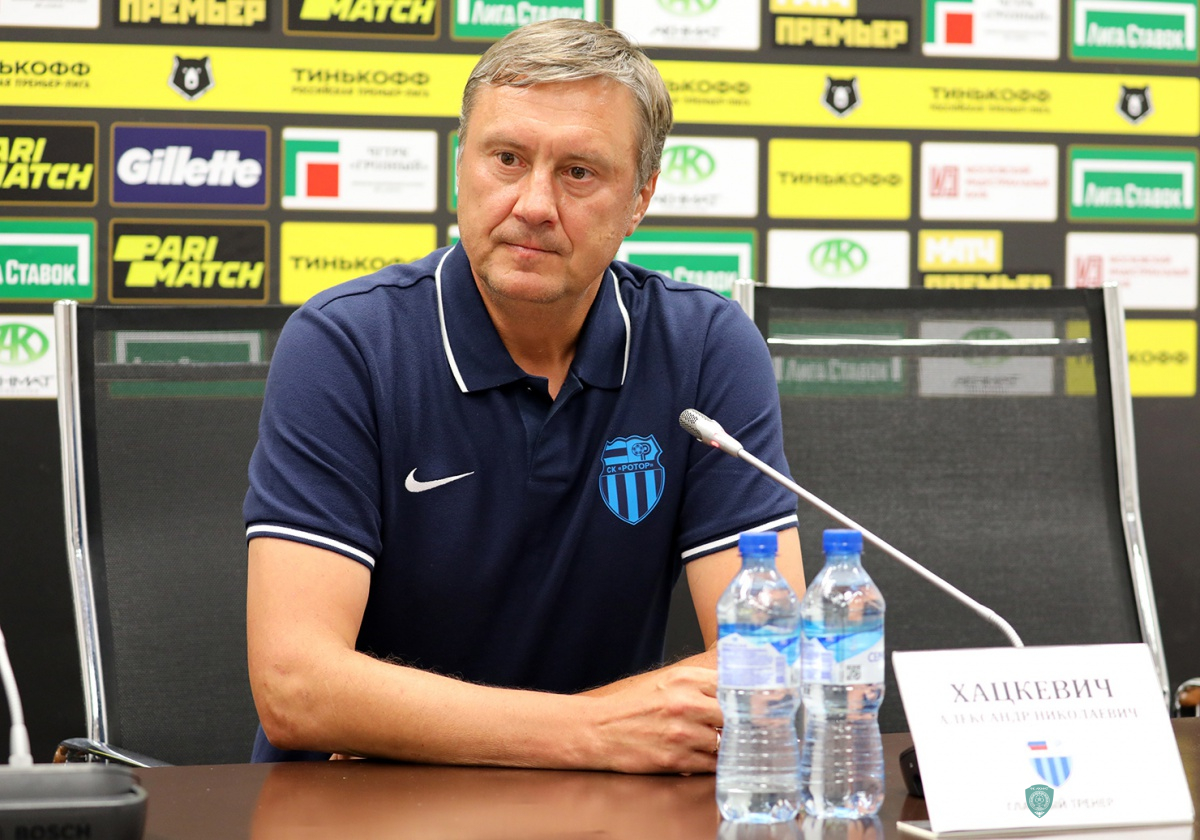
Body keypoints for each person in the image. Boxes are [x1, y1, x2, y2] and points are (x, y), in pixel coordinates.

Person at [244, 18, 804, 773]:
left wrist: (394, 718)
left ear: (640, 198)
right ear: (461, 166)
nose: (535, 203)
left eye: (579, 172)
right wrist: (597, 731)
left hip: (607, 807)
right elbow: (297, 688)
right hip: (369, 810)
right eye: (507, 158)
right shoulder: (346, 344)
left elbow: (772, 661)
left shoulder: (704, 345)